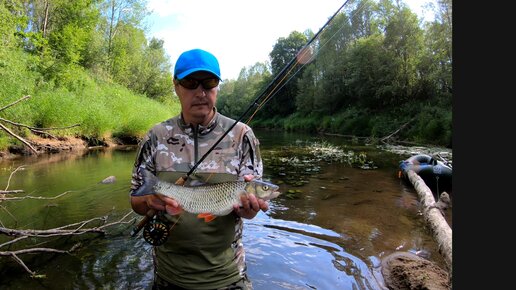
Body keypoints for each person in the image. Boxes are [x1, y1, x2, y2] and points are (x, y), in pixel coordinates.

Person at [129, 48, 269, 290]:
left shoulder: (242, 135)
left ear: (217, 87)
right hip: (168, 277)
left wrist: (250, 210)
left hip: (228, 276)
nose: (200, 92)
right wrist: (150, 200)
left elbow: (248, 212)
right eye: (190, 83)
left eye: (209, 83)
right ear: (176, 86)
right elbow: (136, 202)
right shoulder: (155, 136)